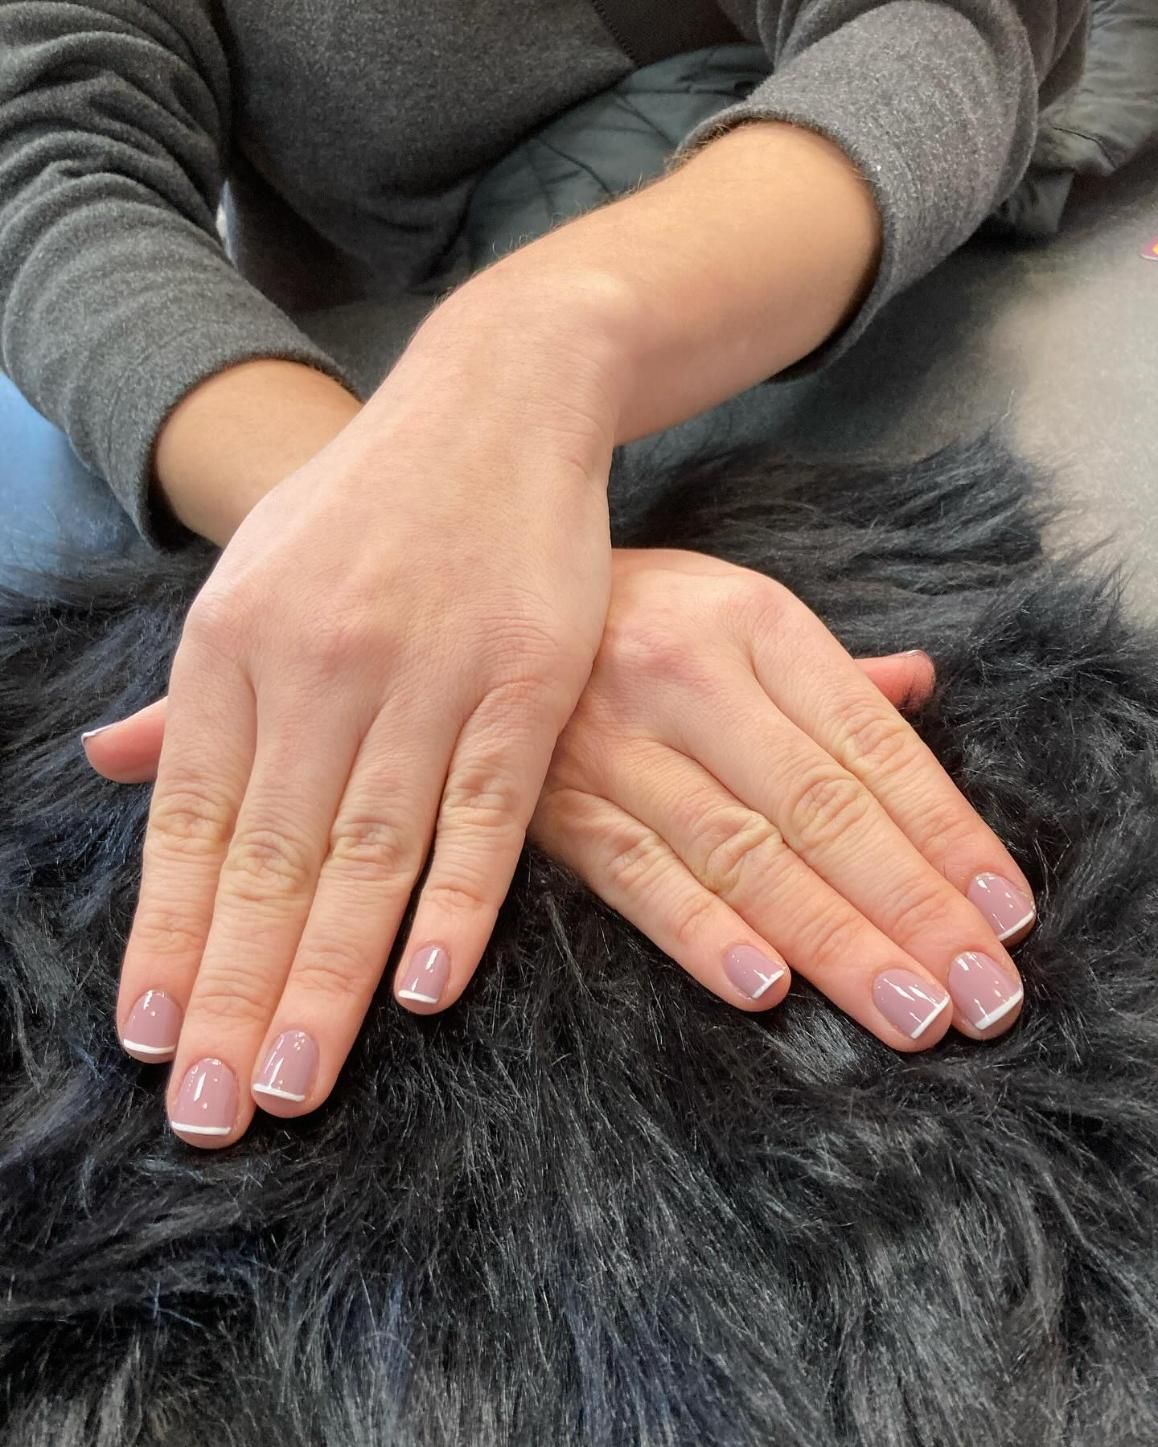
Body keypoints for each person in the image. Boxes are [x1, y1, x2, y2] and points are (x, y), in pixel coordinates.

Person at [0, 0, 1086, 1149]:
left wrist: (544, 337)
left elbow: (934, 22)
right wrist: (397, 527)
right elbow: (55, 156)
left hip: (864, 279)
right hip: (313, 391)